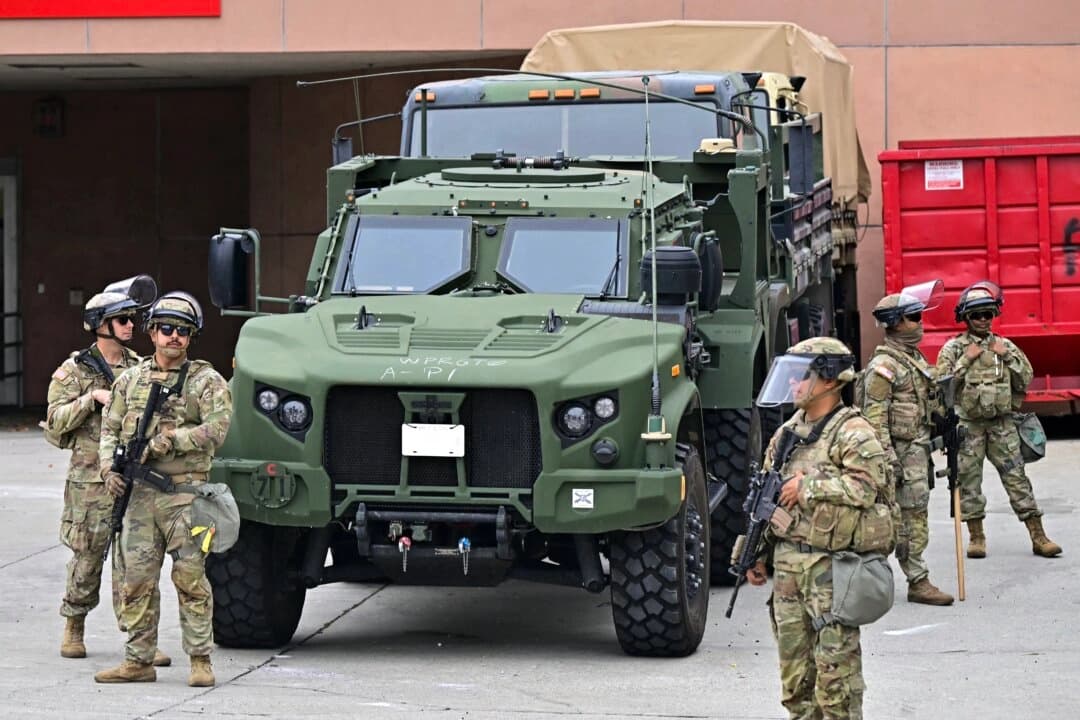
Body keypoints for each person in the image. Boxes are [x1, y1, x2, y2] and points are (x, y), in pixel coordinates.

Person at [747, 337, 890, 719]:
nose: (793, 385)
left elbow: (867, 487)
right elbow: (764, 499)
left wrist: (808, 487)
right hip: (789, 572)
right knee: (796, 683)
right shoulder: (787, 435)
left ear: (829, 380)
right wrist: (754, 553)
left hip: (832, 570)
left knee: (836, 684)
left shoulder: (853, 432)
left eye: (801, 376)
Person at [94, 292, 232, 687]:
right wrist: (107, 468)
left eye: (183, 332)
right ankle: (138, 659)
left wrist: (174, 440)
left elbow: (218, 429)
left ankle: (200, 660)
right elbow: (110, 427)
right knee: (135, 581)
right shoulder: (130, 380)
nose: (174, 337)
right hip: (138, 496)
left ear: (191, 338)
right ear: (152, 332)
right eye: (167, 329)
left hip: (186, 496)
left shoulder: (206, 381)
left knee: (190, 579)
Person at [45, 280, 172, 663]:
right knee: (87, 557)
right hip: (90, 482)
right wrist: (90, 399)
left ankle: (140, 639)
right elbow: (53, 424)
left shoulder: (139, 368)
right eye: (121, 320)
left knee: (135, 562)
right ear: (101, 325)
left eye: (131, 319)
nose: (130, 326)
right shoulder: (76, 371)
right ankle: (74, 623)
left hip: (132, 478)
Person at [935, 281, 1061, 559]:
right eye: (976, 315)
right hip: (968, 426)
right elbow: (942, 388)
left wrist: (1007, 357)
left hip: (1002, 424)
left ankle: (1038, 535)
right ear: (965, 317)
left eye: (988, 314)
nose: (982, 320)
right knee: (967, 481)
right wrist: (965, 362)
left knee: (1016, 478)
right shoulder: (953, 349)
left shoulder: (1006, 346)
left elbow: (1025, 378)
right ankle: (976, 537)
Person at [861, 281, 954, 605]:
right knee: (907, 519)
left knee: (914, 515)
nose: (921, 323)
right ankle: (917, 580)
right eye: (914, 317)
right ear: (896, 323)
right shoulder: (884, 368)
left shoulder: (911, 358)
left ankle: (911, 577)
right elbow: (874, 420)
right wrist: (889, 463)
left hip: (918, 451)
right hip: (901, 456)